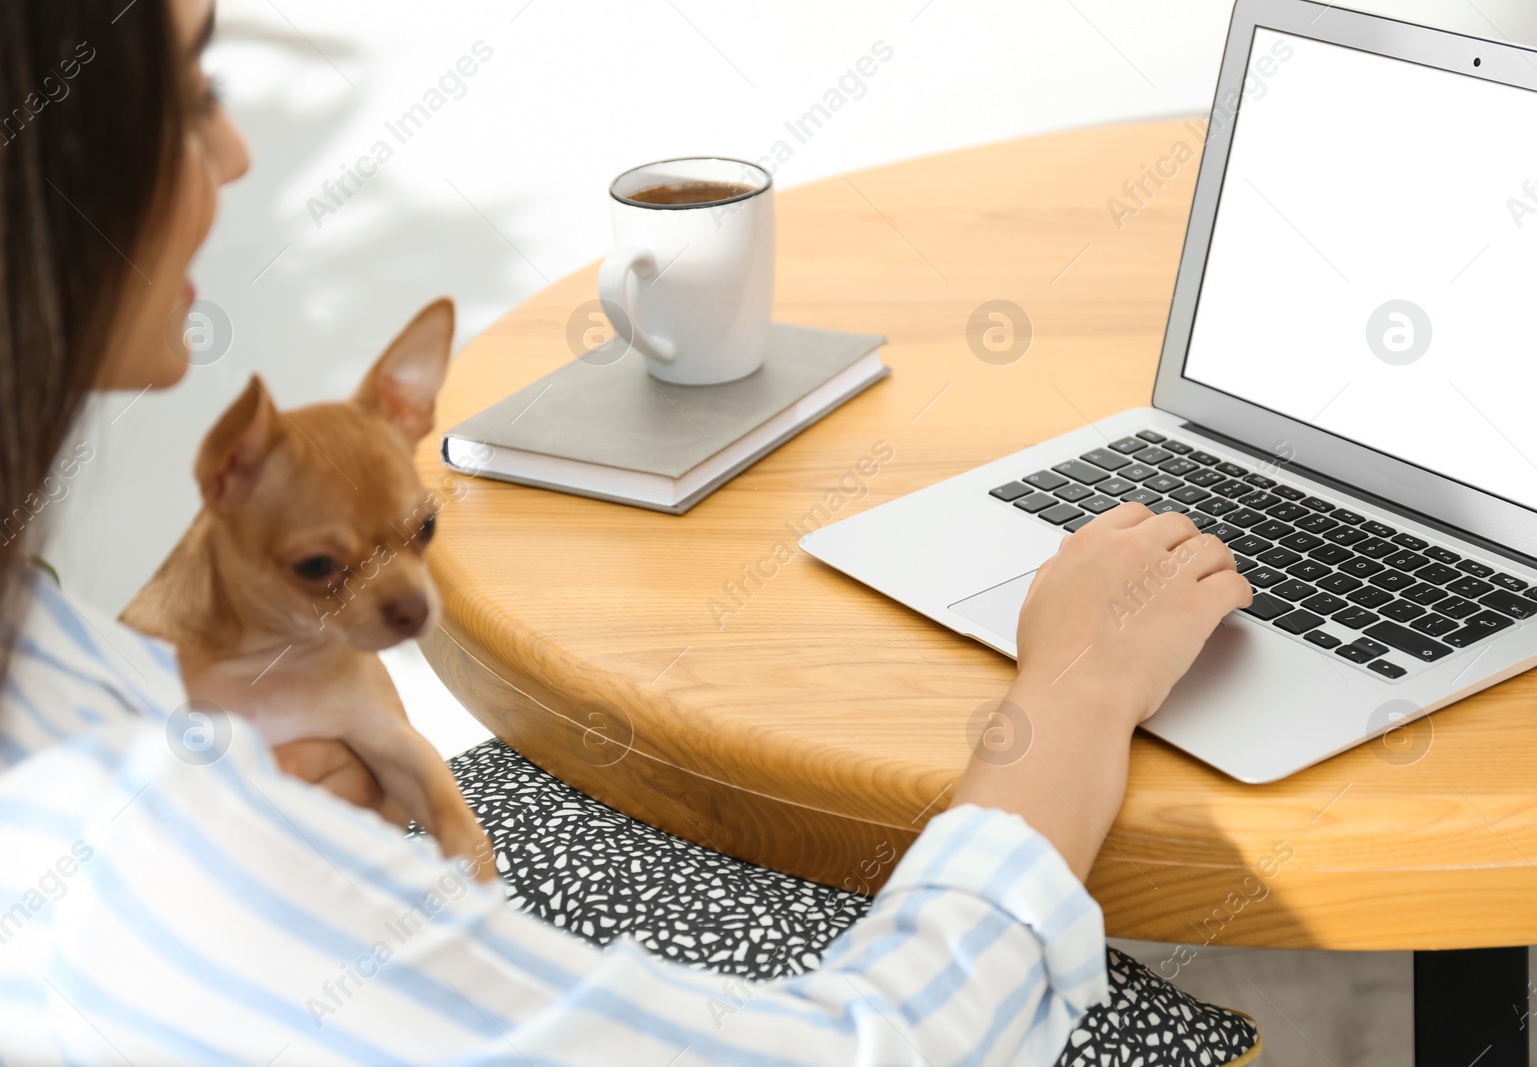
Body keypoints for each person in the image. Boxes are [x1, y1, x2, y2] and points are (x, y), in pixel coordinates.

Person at [0, 1, 1260, 1064]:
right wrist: (1078, 692)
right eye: (189, 92)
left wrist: (263, 828)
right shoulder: (145, 847)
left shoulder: (53, 654)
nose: (230, 155)